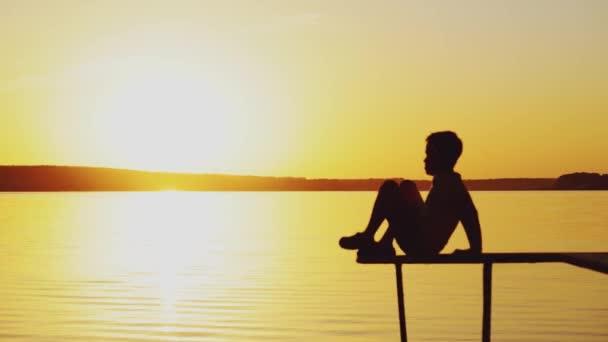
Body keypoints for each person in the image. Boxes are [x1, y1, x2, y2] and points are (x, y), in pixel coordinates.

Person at [339, 131, 482, 257]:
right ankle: (385, 243)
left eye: (429, 154)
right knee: (408, 186)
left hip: (420, 245)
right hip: (420, 236)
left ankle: (368, 236)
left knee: (389, 188)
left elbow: (470, 215)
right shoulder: (445, 181)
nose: (425, 159)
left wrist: (475, 250)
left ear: (442, 157)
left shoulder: (452, 186)